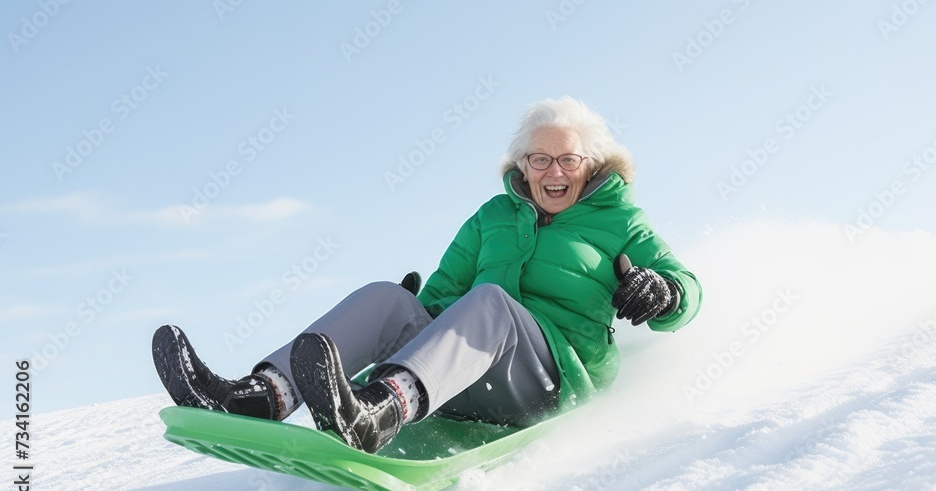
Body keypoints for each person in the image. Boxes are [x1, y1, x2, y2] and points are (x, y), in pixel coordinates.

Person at [152, 96, 703, 454]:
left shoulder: (620, 218)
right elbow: (442, 295)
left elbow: (687, 291)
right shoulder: (492, 216)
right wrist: (409, 310)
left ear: (592, 164)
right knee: (386, 298)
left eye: (568, 159)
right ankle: (259, 396)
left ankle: (381, 410)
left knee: (489, 300)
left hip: (553, 379)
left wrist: (664, 293)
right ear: (522, 165)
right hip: (468, 375)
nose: (553, 171)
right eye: (539, 159)